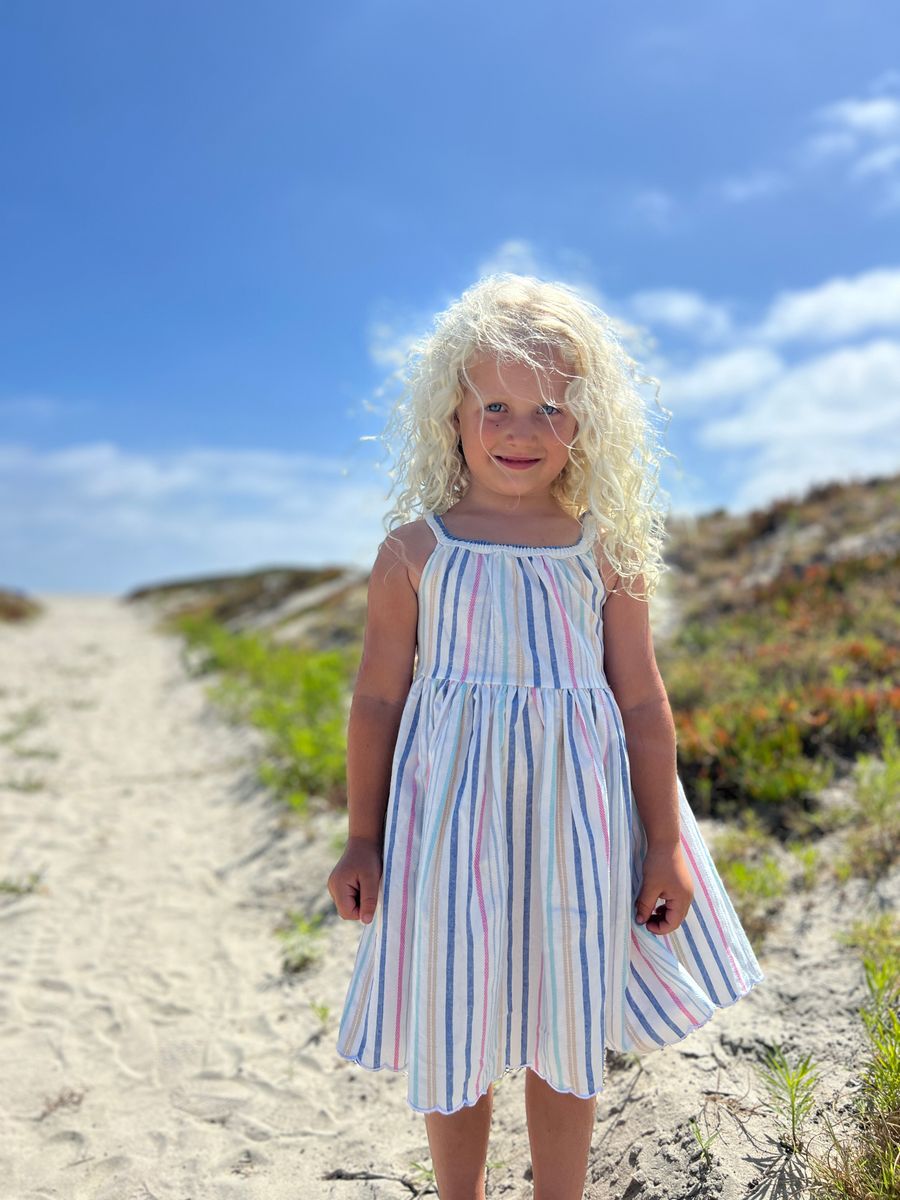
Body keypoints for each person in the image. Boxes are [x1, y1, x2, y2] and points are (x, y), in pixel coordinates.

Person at [327, 273, 764, 1200]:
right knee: (457, 1013)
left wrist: (663, 846)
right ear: (451, 411)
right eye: (496, 405)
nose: (520, 431)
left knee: (568, 1022)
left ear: (586, 419)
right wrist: (362, 836)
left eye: (548, 408)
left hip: (579, 825)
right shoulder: (416, 551)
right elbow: (376, 701)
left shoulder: (604, 549)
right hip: (450, 824)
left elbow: (642, 704)